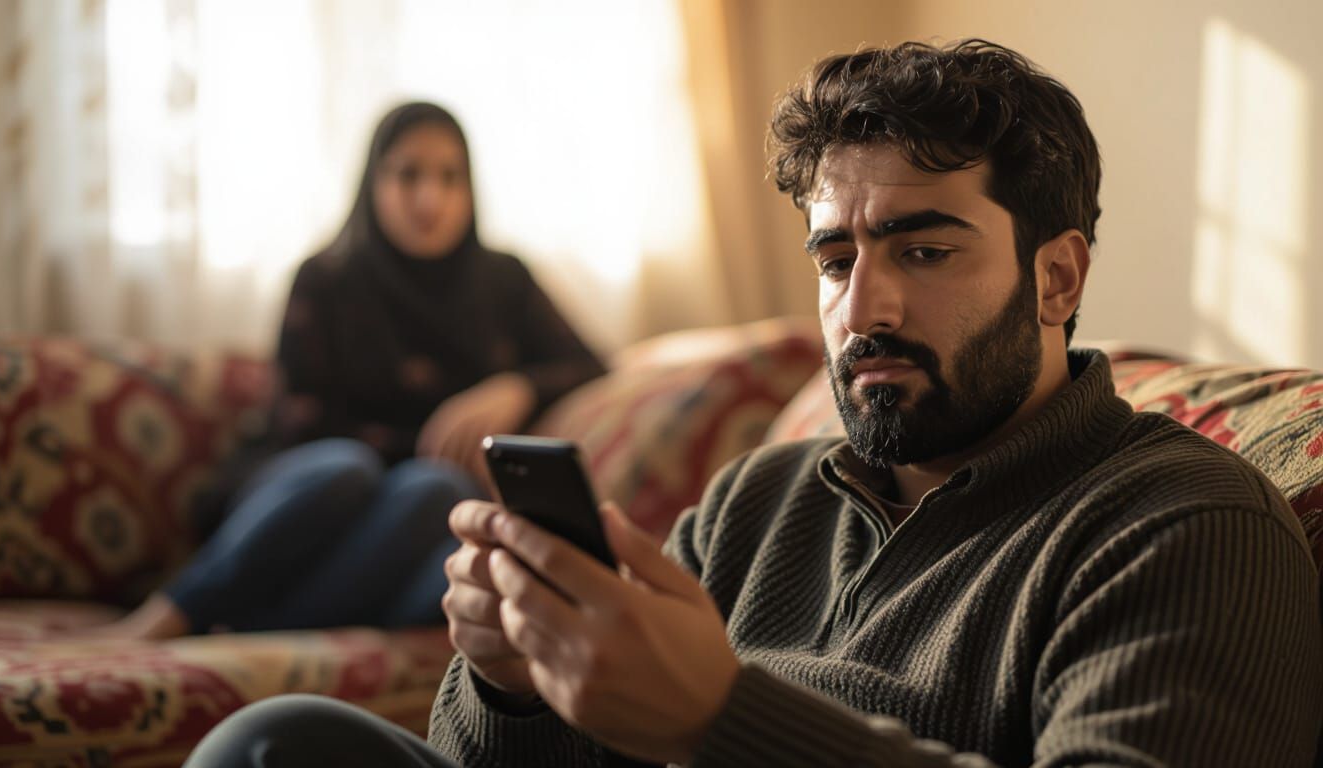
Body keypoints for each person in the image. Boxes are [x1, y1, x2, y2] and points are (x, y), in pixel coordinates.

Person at [182, 41, 1322, 767]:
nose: (862, 305)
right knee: (278, 743)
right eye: (836, 259)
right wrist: (513, 682)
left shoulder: (1182, 527)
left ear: (1057, 277)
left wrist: (718, 719)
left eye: (924, 251)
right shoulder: (758, 502)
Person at [86, 102, 605, 640]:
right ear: (372, 182)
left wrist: (513, 388)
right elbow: (301, 426)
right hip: (309, 500)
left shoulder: (503, 280)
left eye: (451, 177)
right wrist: (426, 442)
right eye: (409, 174)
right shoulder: (326, 279)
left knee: (448, 514)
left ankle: (255, 628)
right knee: (350, 468)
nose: (431, 198)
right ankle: (169, 613)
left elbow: (591, 365)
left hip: (402, 532)